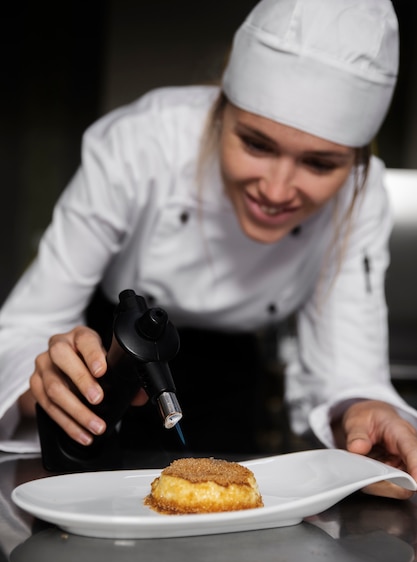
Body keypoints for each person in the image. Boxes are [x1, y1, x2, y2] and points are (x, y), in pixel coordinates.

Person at [1, 0, 417, 494]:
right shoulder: (141, 143)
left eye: (319, 164)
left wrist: (364, 409)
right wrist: (48, 384)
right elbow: (25, 326)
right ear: (220, 112)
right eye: (256, 145)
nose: (278, 190)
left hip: (232, 374)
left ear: (354, 165)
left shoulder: (362, 196)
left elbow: (349, 368)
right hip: (114, 354)